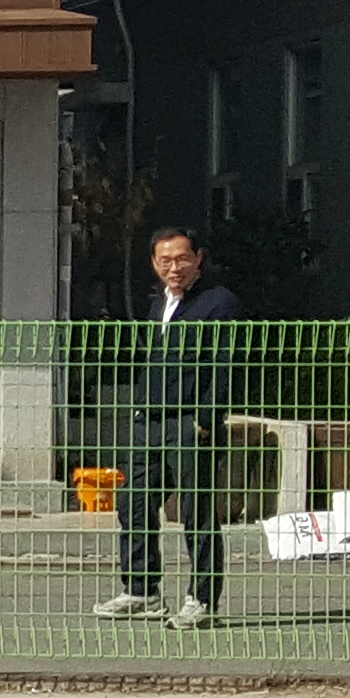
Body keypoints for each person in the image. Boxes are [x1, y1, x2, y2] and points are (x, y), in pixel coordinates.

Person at [103, 222, 244, 627]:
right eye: (165, 260)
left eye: (182, 258)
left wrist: (206, 418)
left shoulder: (219, 303)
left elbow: (226, 366)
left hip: (190, 423)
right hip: (150, 421)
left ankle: (202, 600)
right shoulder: (158, 303)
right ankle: (141, 590)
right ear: (153, 262)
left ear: (199, 258)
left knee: (196, 511)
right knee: (133, 502)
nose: (174, 267)